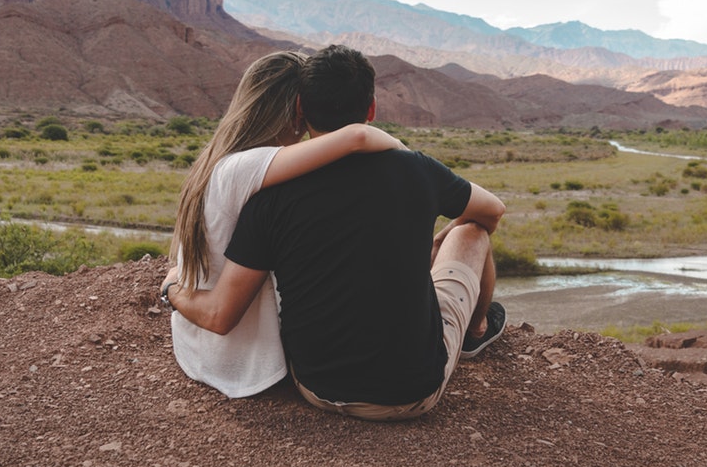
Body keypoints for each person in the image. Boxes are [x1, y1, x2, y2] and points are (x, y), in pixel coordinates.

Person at [162, 45, 506, 420]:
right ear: (371, 109)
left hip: (314, 388)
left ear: (300, 110)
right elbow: (492, 211)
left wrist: (172, 286)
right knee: (471, 231)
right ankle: (477, 330)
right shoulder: (416, 169)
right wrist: (439, 232)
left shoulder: (268, 196)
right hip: (411, 394)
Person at [166, 49, 406, 398]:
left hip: (203, 349)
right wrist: (405, 155)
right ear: (298, 108)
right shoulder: (247, 167)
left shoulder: (222, 162)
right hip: (244, 364)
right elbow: (357, 137)